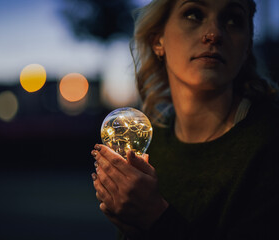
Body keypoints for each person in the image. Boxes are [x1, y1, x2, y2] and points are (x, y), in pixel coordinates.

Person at [90, 0, 279, 239]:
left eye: (233, 20)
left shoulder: (270, 143)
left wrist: (155, 217)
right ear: (159, 40)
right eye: (194, 14)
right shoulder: (151, 145)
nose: (214, 34)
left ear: (246, 46)